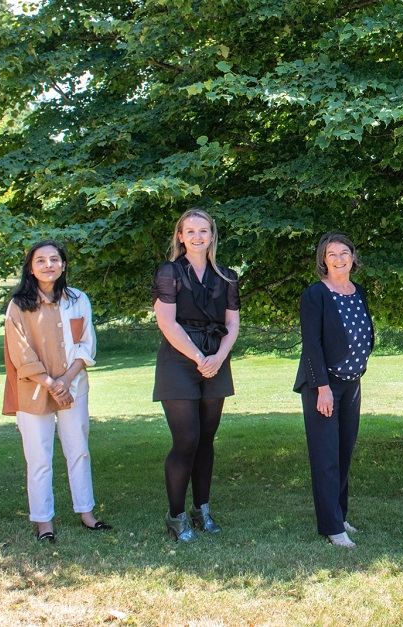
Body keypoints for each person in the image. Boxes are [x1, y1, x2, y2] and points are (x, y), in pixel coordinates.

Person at [3, 241, 111, 542]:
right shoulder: (18, 305)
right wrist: (51, 384)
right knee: (39, 457)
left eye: (54, 259)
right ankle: (44, 522)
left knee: (79, 451)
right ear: (30, 268)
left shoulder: (78, 299)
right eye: (40, 260)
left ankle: (87, 513)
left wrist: (66, 380)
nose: (48, 264)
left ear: (63, 265)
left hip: (73, 387)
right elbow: (20, 352)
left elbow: (86, 344)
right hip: (33, 390)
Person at [152, 208, 240, 542]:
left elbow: (232, 324)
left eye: (204, 231)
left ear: (212, 235)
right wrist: (199, 357)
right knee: (187, 439)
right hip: (179, 360)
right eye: (190, 231)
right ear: (180, 236)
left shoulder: (227, 277)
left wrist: (218, 357)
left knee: (206, 440)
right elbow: (166, 322)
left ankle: (201, 510)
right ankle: (175, 516)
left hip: (216, 360)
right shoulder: (170, 272)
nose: (197, 237)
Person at [295, 232, 375, 549]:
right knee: (326, 455)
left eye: (344, 253)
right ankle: (331, 527)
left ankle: (339, 515)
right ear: (323, 260)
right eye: (332, 254)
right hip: (323, 385)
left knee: (343, 452)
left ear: (353, 257)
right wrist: (322, 388)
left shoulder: (358, 292)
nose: (339, 259)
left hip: (351, 383)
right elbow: (312, 345)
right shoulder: (315, 294)